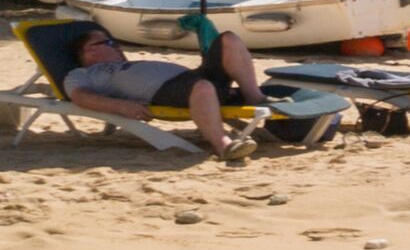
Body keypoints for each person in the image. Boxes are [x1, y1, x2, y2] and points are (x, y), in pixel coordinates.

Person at [56, 17, 266, 155]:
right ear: (89, 51)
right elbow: (80, 97)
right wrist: (122, 107)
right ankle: (224, 145)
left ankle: (255, 97)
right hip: (165, 92)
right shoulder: (81, 74)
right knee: (202, 87)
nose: (117, 47)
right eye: (109, 44)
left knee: (228, 39)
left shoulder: (126, 64)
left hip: (191, 79)